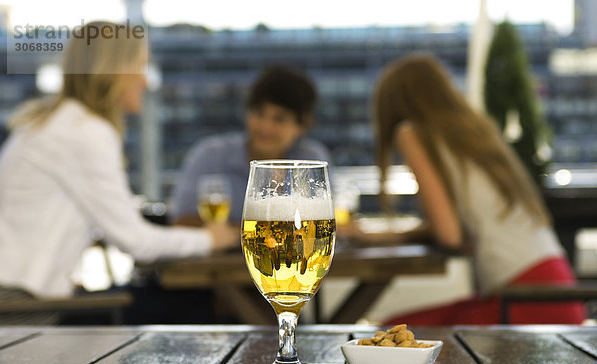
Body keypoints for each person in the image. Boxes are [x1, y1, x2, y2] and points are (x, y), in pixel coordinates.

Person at [0, 21, 237, 312]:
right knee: (190, 308)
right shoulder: (84, 131)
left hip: (17, 296)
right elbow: (137, 242)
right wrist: (213, 237)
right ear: (113, 69)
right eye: (140, 65)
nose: (146, 80)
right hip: (19, 306)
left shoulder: (55, 122)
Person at [366, 53, 586, 325]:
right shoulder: (473, 131)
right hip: (557, 290)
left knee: (391, 334)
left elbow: (449, 236)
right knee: (398, 335)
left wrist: (384, 236)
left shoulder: (412, 132)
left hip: (523, 301)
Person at [171, 66, 332, 226]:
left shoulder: (311, 159)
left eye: (279, 119)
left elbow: (324, 223)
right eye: (259, 113)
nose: (265, 127)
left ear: (302, 126)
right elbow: (181, 223)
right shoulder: (210, 155)